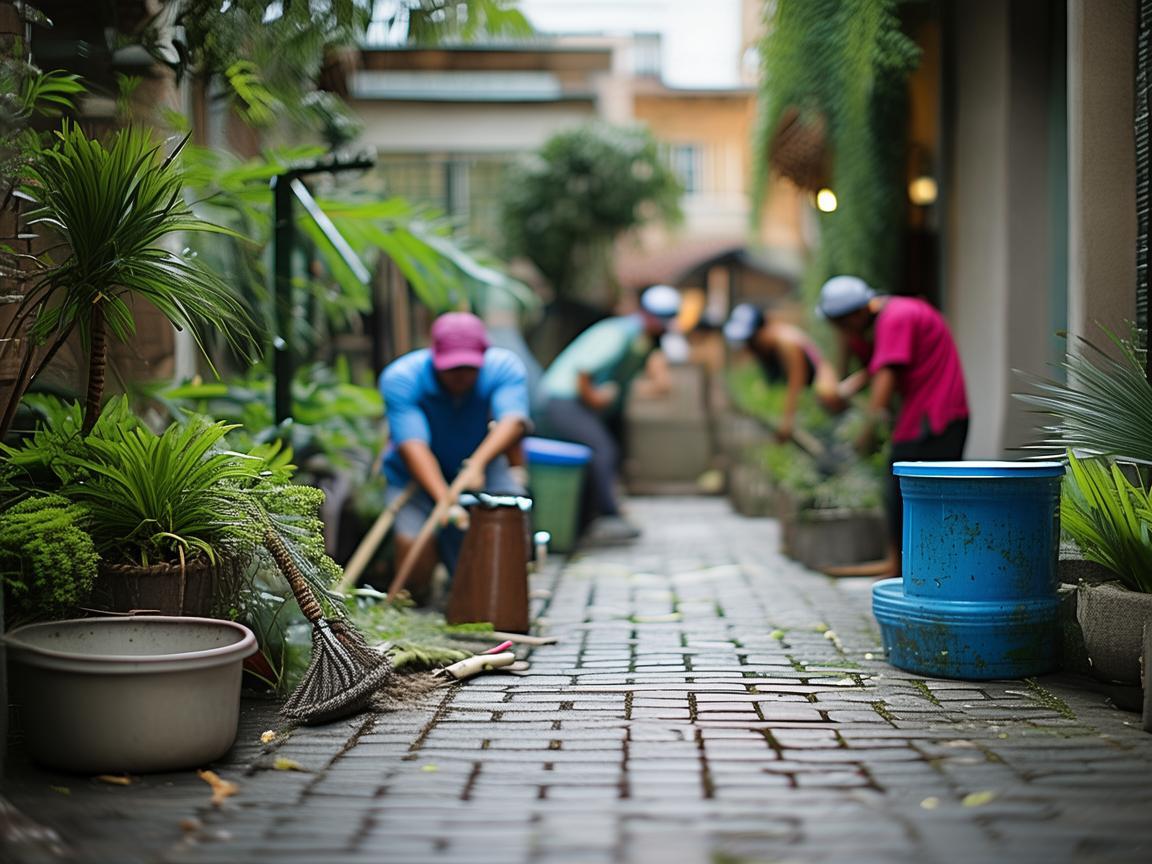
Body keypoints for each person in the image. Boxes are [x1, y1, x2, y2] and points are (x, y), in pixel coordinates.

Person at [817, 275, 970, 577]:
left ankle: (905, 566)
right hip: (934, 415)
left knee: (910, 489)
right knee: (910, 489)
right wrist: (844, 388)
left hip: (934, 417)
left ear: (856, 315)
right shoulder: (895, 312)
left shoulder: (895, 317)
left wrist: (866, 432)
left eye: (842, 326)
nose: (844, 333)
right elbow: (873, 369)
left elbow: (885, 376)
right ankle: (905, 564)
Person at [378, 311, 531, 601]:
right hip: (415, 476)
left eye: (469, 368)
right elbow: (413, 445)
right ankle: (426, 590)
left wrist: (476, 465)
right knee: (414, 570)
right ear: (433, 355)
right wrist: (446, 500)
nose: (461, 376)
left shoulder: (504, 368)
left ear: (484, 356)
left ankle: (488, 590)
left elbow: (513, 420)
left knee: (507, 537)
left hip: (484, 470)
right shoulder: (402, 378)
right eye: (452, 368)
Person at [537, 284, 682, 544]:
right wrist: (595, 398)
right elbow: (584, 370)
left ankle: (584, 523)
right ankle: (608, 517)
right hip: (562, 399)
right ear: (646, 314)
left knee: (596, 456)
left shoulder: (645, 341)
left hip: (572, 402)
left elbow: (661, 383)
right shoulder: (620, 333)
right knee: (602, 450)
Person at [723, 302, 841, 442]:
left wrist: (787, 422)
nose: (750, 347)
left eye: (752, 340)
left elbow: (796, 383)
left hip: (821, 389)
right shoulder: (762, 349)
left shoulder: (786, 342)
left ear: (764, 329)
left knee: (826, 395)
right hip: (806, 394)